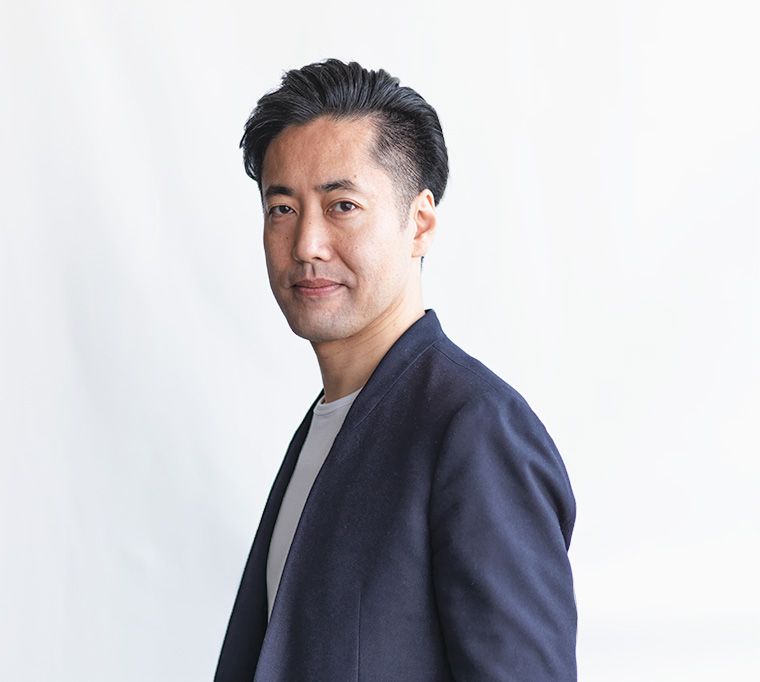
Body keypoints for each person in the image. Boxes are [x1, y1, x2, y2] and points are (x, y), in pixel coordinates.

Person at [214, 59, 576, 682]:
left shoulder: (475, 429)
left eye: (342, 205)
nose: (306, 244)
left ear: (420, 224)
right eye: (282, 209)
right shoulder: (329, 424)